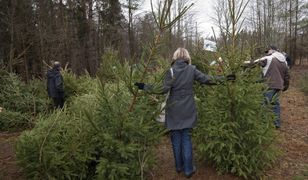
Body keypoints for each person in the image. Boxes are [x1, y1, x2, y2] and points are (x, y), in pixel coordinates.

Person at [134, 48, 235, 178]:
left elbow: (162, 90)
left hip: (174, 110)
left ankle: (178, 167)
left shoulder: (170, 71)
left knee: (176, 138)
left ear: (175, 57)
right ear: (187, 57)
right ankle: (188, 170)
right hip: (188, 109)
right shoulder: (191, 69)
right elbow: (207, 79)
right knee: (186, 138)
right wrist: (225, 78)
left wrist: (144, 86)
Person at [255, 45, 290, 128]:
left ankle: (262, 124)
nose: (267, 53)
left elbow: (254, 62)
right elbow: (287, 75)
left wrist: (240, 64)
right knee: (275, 104)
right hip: (279, 86)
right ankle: (276, 124)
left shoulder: (269, 58)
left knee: (264, 103)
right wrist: (286, 85)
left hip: (269, 85)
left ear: (272, 50)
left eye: (268, 51)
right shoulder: (284, 61)